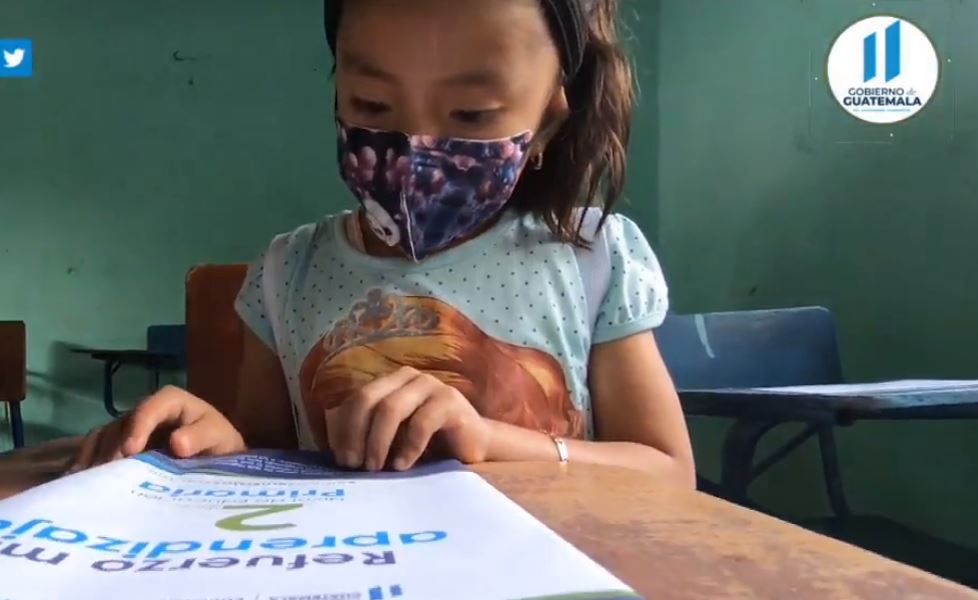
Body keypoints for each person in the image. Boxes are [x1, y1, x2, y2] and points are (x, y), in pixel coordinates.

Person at [73, 0, 695, 488]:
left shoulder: (590, 258)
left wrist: (494, 442)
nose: (414, 151)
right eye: (371, 103)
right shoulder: (285, 274)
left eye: (473, 114)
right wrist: (212, 444)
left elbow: (671, 473)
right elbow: (266, 457)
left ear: (552, 117)